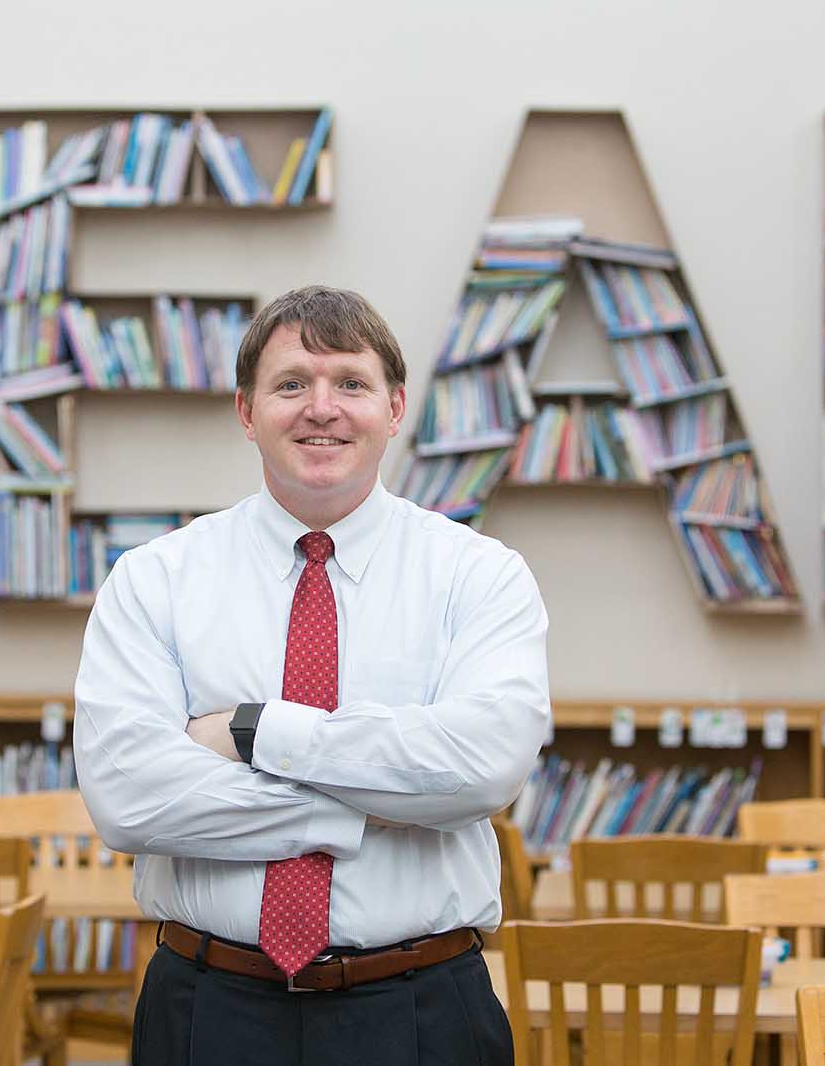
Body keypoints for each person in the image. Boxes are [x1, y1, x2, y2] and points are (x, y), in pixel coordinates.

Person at [74, 285, 549, 1065]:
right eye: (291, 383)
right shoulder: (154, 578)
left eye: (351, 384)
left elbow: (481, 768)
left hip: (424, 1008)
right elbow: (128, 797)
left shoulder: (480, 576)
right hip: (207, 1008)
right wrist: (370, 809)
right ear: (245, 410)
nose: (321, 407)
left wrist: (252, 731)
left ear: (395, 408)